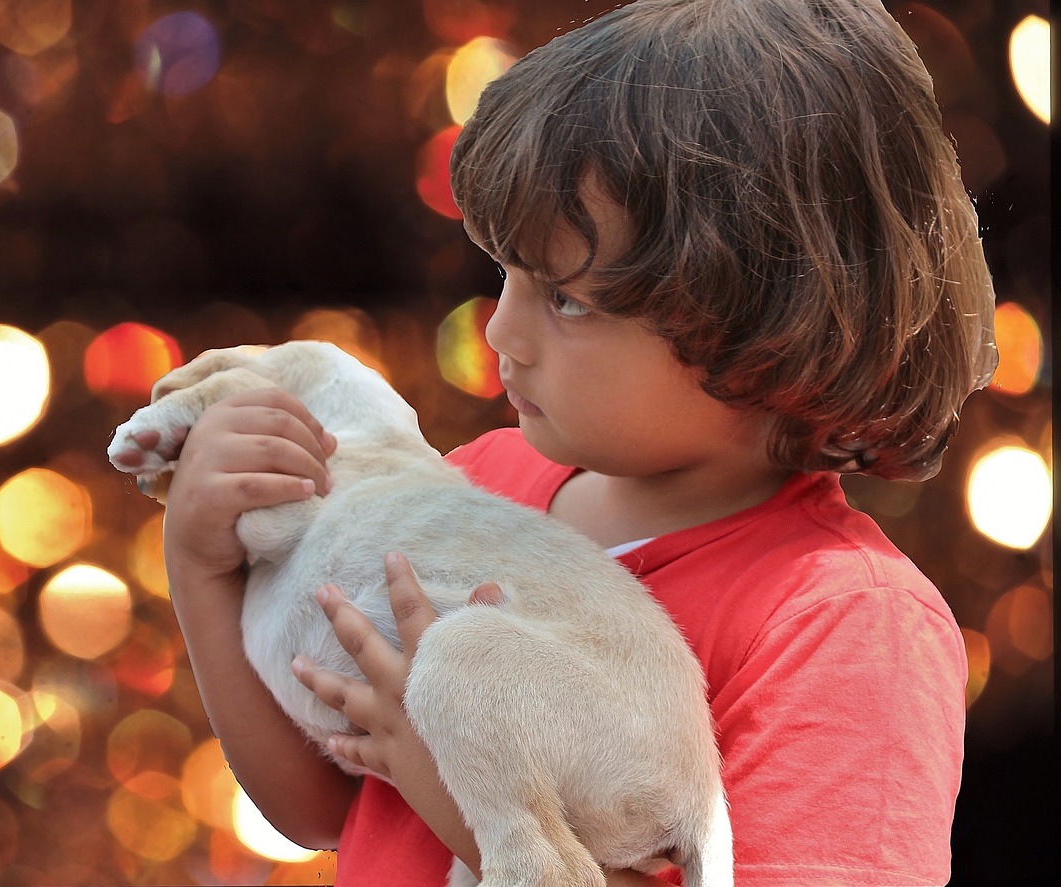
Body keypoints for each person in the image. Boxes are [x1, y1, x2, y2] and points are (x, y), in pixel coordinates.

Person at [159, 0, 997, 883]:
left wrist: (458, 775)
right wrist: (201, 562)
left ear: (769, 317)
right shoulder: (477, 483)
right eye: (506, 274)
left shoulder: (846, 625)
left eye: (568, 299)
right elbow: (320, 805)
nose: (501, 334)